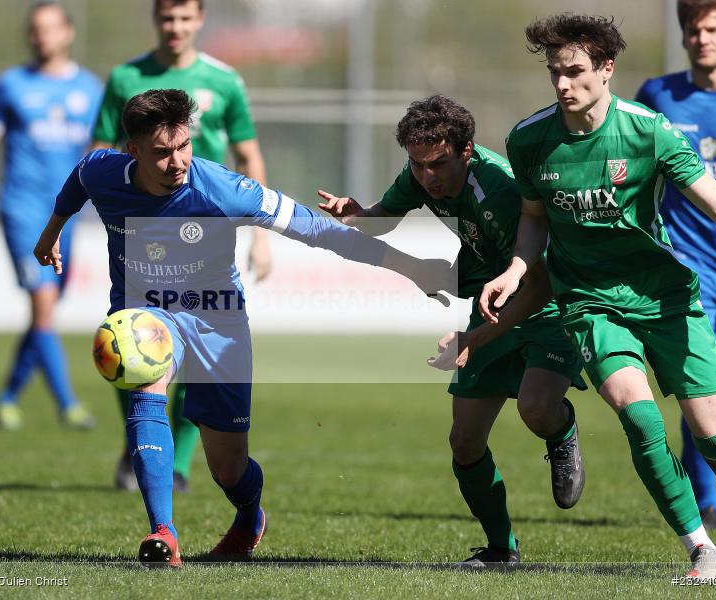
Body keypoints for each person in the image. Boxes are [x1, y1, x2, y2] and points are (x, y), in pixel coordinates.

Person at [33, 88, 451, 566]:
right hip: (148, 313)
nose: (177, 162)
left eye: (184, 146)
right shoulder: (105, 171)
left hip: (218, 321)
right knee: (147, 380)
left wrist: (412, 267)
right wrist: (50, 233)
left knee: (228, 468)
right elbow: (79, 178)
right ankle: (162, 533)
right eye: (162, 153)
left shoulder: (221, 188)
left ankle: (250, 514)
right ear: (134, 152)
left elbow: (319, 230)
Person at [479, 13, 716, 581]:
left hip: (663, 294)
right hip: (589, 300)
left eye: (574, 72)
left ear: (606, 69)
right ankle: (703, 551)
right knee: (639, 417)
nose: (562, 85)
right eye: (554, 73)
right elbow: (532, 221)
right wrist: (515, 269)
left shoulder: (649, 130)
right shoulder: (529, 140)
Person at [317, 95, 586, 567]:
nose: (427, 176)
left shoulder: (500, 189)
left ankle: (561, 429)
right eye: (417, 165)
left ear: (466, 151)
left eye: (438, 164)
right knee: (464, 441)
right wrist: (357, 214)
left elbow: (538, 285)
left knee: (537, 410)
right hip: (490, 303)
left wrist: (474, 338)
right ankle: (502, 549)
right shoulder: (423, 174)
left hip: (546, 305)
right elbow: (384, 220)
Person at [92, 0, 272, 492]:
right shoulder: (125, 77)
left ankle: (178, 464)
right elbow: (100, 151)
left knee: (200, 348)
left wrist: (259, 237)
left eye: (185, 18)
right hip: (144, 227)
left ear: (200, 20)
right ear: (156, 20)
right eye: (167, 18)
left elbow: (248, 156)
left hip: (206, 232)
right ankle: (139, 450)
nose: (176, 27)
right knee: (129, 338)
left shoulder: (225, 80)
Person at [0, 0, 101, 430]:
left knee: (44, 312)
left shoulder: (91, 90)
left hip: (67, 214)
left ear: (68, 32)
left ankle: (8, 395)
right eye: (35, 29)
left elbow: (99, 154)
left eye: (50, 28)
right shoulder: (11, 85)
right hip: (22, 209)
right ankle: (68, 405)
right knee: (44, 304)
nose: (42, 36)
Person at [635, 0, 716, 532]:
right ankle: (706, 500)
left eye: (713, 29)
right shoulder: (658, 95)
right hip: (691, 262)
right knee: (703, 383)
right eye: (692, 30)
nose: (702, 39)